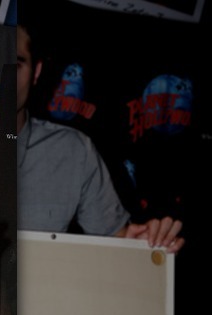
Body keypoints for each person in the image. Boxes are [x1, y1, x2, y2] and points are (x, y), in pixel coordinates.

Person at [16, 23, 184, 253]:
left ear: (36, 72)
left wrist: (141, 243)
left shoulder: (73, 149)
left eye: (15, 64)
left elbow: (117, 239)